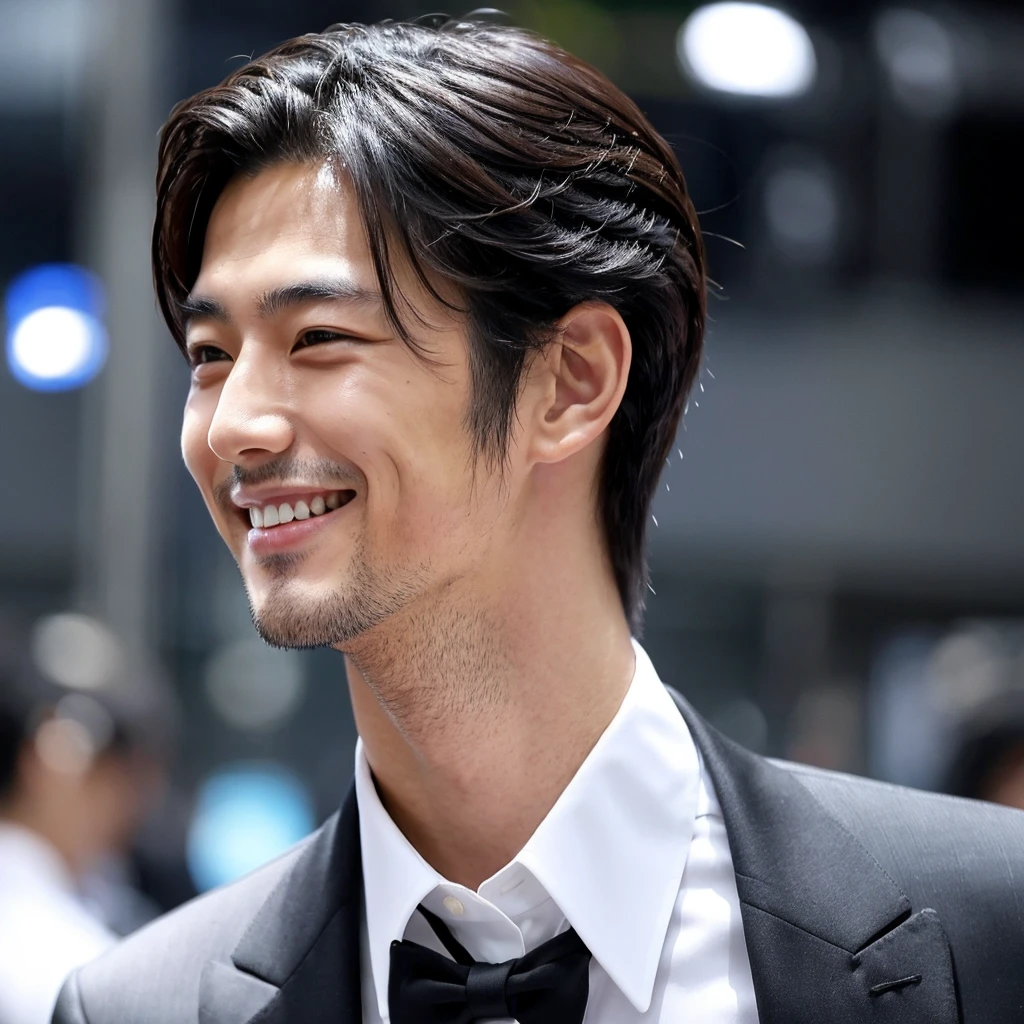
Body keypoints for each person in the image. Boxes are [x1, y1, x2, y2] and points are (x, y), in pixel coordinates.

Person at [54, 16, 1024, 1024]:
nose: (235, 426)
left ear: (569, 381)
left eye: (319, 336)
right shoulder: (133, 1004)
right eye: (210, 356)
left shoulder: (987, 927)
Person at [0, 618, 167, 1024]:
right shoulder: (37, 945)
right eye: (117, 772)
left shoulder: (102, 890)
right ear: (56, 758)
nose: (135, 801)